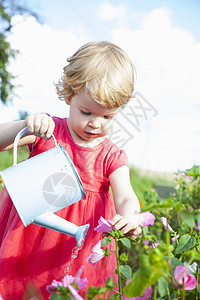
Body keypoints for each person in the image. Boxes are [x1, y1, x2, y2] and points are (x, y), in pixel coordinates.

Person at [0, 41, 141, 300]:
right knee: (17, 289)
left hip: (75, 253)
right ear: (68, 95)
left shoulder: (112, 155)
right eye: (86, 111)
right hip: (25, 243)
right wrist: (26, 124)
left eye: (107, 117)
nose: (95, 124)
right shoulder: (49, 130)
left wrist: (131, 218)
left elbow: (126, 196)